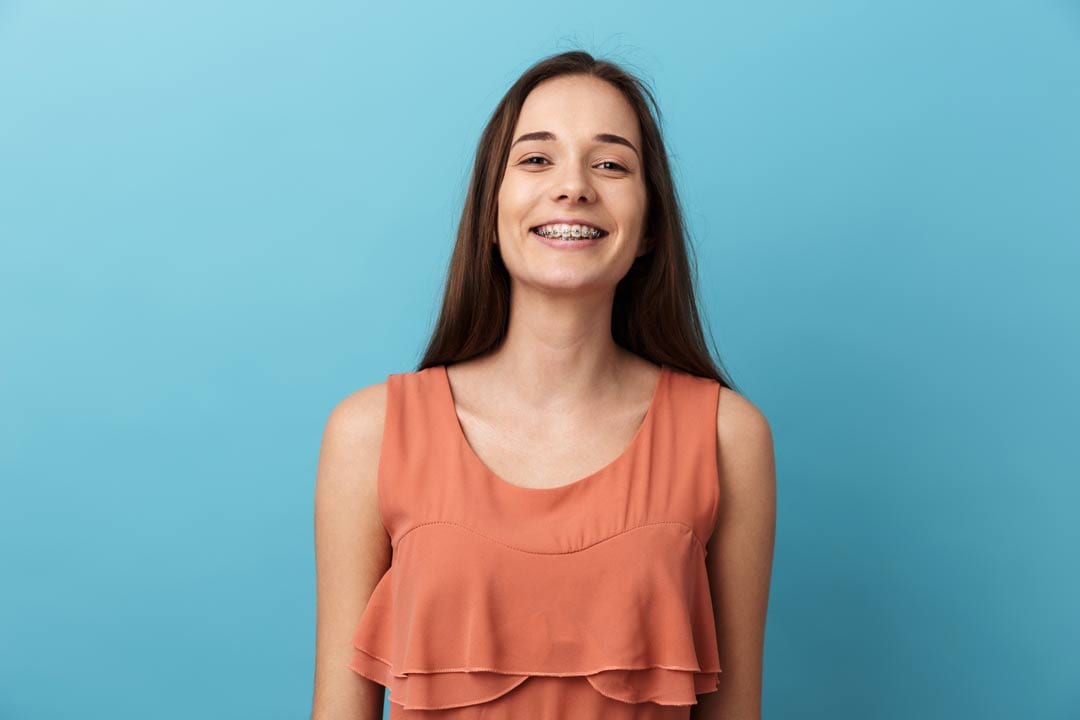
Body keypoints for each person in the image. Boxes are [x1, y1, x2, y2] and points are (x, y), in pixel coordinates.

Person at [310, 50, 776, 720]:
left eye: (610, 163)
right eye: (536, 159)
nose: (573, 187)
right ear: (491, 213)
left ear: (649, 228)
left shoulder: (729, 436)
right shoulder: (370, 433)